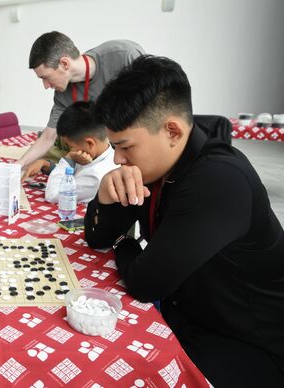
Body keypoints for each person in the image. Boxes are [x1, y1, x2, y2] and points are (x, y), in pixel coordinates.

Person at [85, 55, 284, 386]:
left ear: (172, 131)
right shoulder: (158, 166)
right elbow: (98, 238)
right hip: (189, 311)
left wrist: (126, 242)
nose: (118, 159)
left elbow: (146, 282)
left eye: (125, 147)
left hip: (247, 343)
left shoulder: (218, 179)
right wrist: (105, 195)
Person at [18, 31, 144, 180]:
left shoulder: (124, 56)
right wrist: (18, 165)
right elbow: (48, 137)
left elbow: (149, 110)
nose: (46, 86)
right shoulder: (62, 93)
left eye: (45, 77)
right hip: (104, 159)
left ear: (64, 63)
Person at [45, 101, 118, 204]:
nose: (70, 150)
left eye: (70, 146)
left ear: (90, 143)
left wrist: (68, 159)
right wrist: (49, 165)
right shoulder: (106, 155)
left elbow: (52, 195)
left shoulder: (94, 176)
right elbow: (73, 172)